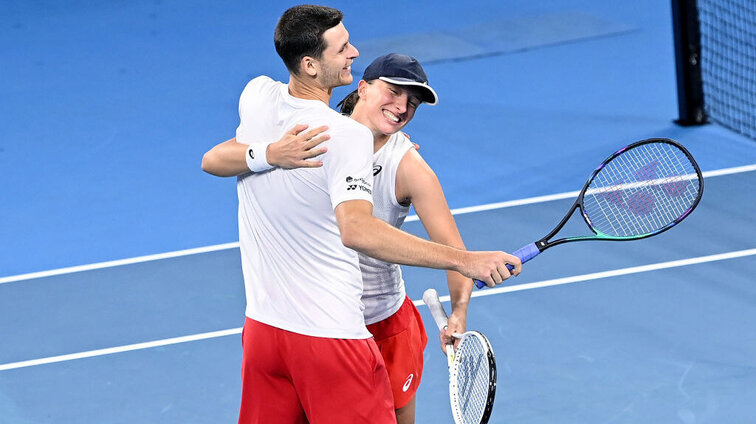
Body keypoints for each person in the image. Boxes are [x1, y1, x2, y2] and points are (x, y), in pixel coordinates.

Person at [201, 5, 522, 424]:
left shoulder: (403, 163)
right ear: (364, 87)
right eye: (393, 92)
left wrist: (459, 310)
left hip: (364, 323)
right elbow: (355, 228)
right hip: (330, 331)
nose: (402, 106)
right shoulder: (327, 131)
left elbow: (449, 242)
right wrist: (270, 154)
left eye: (414, 102)